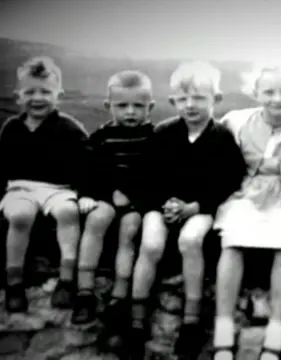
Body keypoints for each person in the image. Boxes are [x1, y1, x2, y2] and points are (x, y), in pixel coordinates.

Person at [127, 61, 246, 359]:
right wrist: (162, 205)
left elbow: (229, 180)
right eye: (182, 99)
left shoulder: (222, 138)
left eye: (199, 98)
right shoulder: (163, 133)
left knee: (190, 241)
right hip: (162, 204)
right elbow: (143, 176)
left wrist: (196, 206)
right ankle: (136, 320)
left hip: (200, 207)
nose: (190, 105)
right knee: (151, 243)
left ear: (216, 100)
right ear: (172, 102)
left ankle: (191, 321)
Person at [212, 64, 281, 360]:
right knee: (232, 242)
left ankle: (277, 328)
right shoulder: (235, 122)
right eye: (269, 92)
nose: (277, 99)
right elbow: (219, 159)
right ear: (255, 93)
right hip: (245, 194)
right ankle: (222, 328)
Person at [71, 70, 156, 344]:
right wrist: (94, 194)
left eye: (138, 106)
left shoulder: (155, 138)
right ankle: (85, 290)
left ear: (150, 107)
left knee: (130, 229)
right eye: (122, 106)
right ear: (109, 106)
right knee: (97, 218)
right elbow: (88, 171)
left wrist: (134, 198)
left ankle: (119, 295)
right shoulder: (101, 137)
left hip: (136, 203)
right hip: (107, 197)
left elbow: (158, 175)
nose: (130, 112)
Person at [0, 56, 87, 313]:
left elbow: (86, 164)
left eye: (45, 92)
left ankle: (67, 279)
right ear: (18, 97)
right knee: (19, 216)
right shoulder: (12, 128)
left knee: (68, 213)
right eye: (30, 92)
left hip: (58, 189)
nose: (37, 98)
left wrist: (85, 193)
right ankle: (14, 282)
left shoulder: (69, 128)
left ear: (58, 95)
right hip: (20, 187)